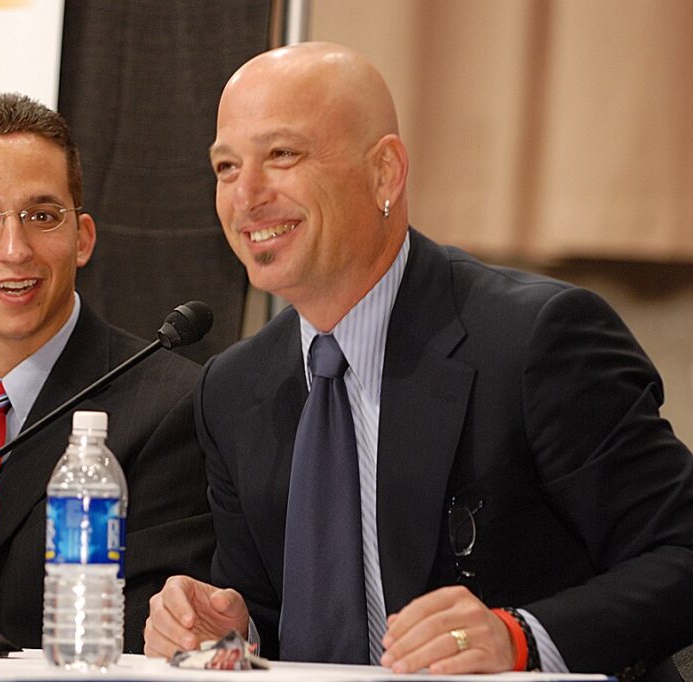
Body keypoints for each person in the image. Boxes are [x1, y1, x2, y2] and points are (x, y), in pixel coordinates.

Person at [143, 42, 693, 680]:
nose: (248, 195)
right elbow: (271, 615)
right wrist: (233, 631)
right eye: (226, 167)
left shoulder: (536, 339)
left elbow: (680, 552)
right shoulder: (234, 389)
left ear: (385, 173)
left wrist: (518, 640)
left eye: (282, 155)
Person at [0, 93, 214, 652]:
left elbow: (146, 632)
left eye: (42, 217)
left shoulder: (171, 407)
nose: (15, 249)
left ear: (82, 238)